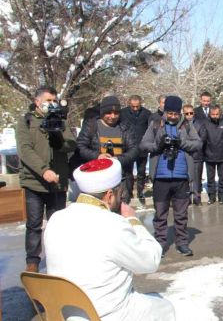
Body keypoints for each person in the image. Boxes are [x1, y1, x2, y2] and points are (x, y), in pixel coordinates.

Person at [44, 158, 175, 320]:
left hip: (65, 313)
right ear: (110, 195)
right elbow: (151, 261)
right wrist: (132, 220)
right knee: (165, 308)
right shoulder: (114, 224)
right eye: (120, 192)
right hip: (106, 314)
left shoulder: (56, 219)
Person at [16, 86, 76, 272]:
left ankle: (58, 258)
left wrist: (58, 138)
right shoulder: (26, 121)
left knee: (57, 224)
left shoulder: (61, 121)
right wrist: (43, 171)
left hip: (57, 182)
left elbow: (71, 144)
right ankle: (32, 261)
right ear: (37, 101)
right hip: (34, 182)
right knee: (34, 224)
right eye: (48, 100)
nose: (51, 104)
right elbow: (25, 150)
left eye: (53, 100)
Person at [141, 96, 202, 257]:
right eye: (170, 113)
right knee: (160, 213)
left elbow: (198, 143)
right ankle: (160, 243)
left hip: (181, 177)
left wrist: (182, 143)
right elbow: (144, 144)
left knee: (181, 214)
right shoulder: (155, 124)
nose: (173, 116)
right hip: (161, 177)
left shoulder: (186, 125)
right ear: (165, 111)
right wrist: (159, 144)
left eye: (176, 113)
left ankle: (182, 242)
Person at [76, 96, 138, 204]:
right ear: (102, 112)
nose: (112, 116)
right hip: (96, 179)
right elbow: (81, 147)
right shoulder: (91, 126)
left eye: (116, 113)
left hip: (121, 179)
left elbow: (134, 150)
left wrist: (118, 159)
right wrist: (97, 156)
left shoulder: (126, 127)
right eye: (108, 113)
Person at [119, 95, 152, 204]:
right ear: (129, 103)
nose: (135, 109)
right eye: (133, 106)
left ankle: (140, 191)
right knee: (128, 171)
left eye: (137, 106)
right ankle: (129, 191)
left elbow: (150, 129)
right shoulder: (123, 113)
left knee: (141, 171)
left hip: (142, 146)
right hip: (128, 147)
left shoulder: (147, 113)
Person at [201, 105, 223, 205]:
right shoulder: (205, 123)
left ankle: (222, 197)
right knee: (210, 178)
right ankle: (211, 197)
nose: (215, 116)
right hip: (209, 155)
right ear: (210, 114)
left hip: (222, 155)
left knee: (222, 178)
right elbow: (203, 139)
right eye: (213, 114)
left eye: (217, 114)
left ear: (220, 113)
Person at [182, 104, 206, 205]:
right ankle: (186, 198)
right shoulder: (180, 125)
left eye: (191, 113)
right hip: (184, 155)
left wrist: (190, 144)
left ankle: (197, 197)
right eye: (186, 113)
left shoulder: (200, 124)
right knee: (185, 178)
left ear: (194, 113)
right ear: (183, 114)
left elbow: (202, 139)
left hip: (197, 155)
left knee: (197, 178)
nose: (189, 115)